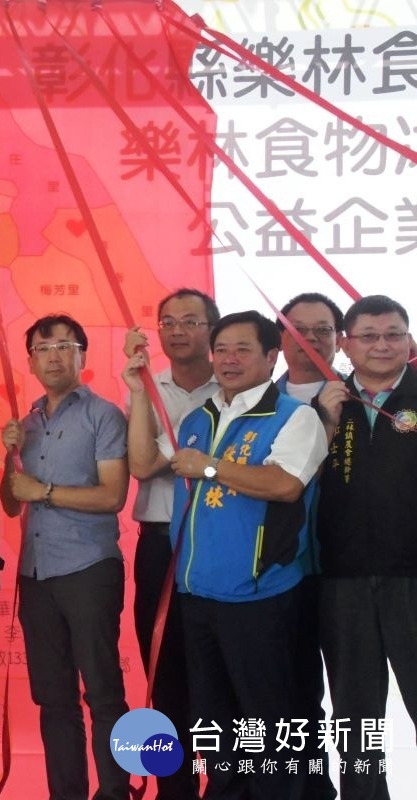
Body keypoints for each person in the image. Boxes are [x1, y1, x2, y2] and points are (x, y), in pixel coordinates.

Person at [163, 311, 326, 800]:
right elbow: (148, 463)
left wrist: (211, 467)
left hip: (259, 595)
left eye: (243, 349)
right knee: (213, 722)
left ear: (271, 356)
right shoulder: (199, 417)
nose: (229, 360)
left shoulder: (295, 417)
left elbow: (285, 485)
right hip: (197, 593)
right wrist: (134, 387)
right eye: (222, 350)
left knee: (271, 721)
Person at [1, 313, 130, 800]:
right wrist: (6, 455)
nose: (53, 355)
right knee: (53, 699)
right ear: (30, 359)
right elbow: (14, 502)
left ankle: (116, 790)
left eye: (64, 346)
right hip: (36, 572)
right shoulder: (26, 423)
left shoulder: (104, 415)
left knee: (102, 691)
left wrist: (46, 490)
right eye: (43, 347)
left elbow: (113, 495)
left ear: (82, 355)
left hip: (89, 568)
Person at [315, 295, 417, 800]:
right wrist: (325, 427)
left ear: (410, 341)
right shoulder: (323, 404)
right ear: (346, 345)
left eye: (393, 334)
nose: (382, 345)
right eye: (369, 336)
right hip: (342, 581)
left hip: (413, 580)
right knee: (356, 720)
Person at [121, 289, 219, 800]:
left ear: (212, 329)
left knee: (221, 674)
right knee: (165, 673)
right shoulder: (145, 386)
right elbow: (139, 467)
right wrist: (138, 393)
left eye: (190, 321)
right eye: (167, 321)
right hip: (161, 545)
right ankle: (174, 789)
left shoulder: (235, 388)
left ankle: (229, 788)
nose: (177, 330)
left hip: (221, 545)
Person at [274, 292, 344, 800]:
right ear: (281, 340)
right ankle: (305, 787)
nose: (311, 340)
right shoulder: (259, 401)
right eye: (299, 330)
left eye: (322, 330)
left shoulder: (361, 397)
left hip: (349, 569)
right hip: (281, 571)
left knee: (353, 694)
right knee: (292, 690)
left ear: (339, 339)